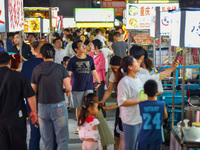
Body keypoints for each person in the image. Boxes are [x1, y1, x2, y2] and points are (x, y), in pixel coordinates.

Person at [117, 56, 178, 150]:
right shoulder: (124, 82)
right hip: (130, 121)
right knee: (130, 147)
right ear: (130, 67)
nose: (139, 64)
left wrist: (172, 68)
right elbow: (121, 102)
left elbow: (158, 77)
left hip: (140, 119)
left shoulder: (139, 78)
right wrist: (140, 101)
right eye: (136, 62)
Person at [31, 43, 71, 150]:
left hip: (42, 106)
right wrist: (62, 90)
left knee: (47, 141)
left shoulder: (36, 69)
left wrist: (34, 110)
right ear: (53, 54)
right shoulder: (60, 68)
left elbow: (33, 91)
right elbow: (68, 87)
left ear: (42, 55)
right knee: (62, 140)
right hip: (58, 106)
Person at [0, 51, 37, 150]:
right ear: (9, 62)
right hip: (16, 120)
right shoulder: (19, 77)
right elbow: (30, 96)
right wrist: (34, 112)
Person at [67, 40, 100, 134]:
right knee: (79, 107)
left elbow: (93, 71)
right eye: (80, 45)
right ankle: (80, 126)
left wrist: (98, 81)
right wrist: (68, 87)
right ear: (76, 49)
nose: (84, 46)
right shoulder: (72, 60)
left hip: (88, 86)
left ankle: (89, 125)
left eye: (83, 45)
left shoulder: (90, 59)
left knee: (90, 106)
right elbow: (68, 75)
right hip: (77, 87)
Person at [21, 41, 47, 150]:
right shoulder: (52, 65)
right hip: (49, 103)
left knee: (34, 135)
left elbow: (23, 84)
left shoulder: (27, 64)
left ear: (34, 49)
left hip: (32, 105)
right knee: (50, 136)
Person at [100, 56, 124, 150]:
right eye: (112, 68)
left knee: (126, 135)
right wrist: (103, 100)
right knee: (117, 134)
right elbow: (109, 89)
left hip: (128, 106)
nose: (114, 70)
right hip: (120, 106)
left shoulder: (128, 74)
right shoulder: (113, 75)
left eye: (116, 68)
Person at [137, 80, 168, 150]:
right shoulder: (162, 104)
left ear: (144, 92)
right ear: (157, 91)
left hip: (144, 137)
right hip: (156, 138)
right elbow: (165, 116)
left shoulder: (142, 104)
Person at [89, 39, 106, 104]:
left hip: (99, 78)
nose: (91, 46)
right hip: (91, 78)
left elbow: (99, 67)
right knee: (92, 97)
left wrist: (93, 65)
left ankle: (102, 112)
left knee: (99, 97)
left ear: (96, 46)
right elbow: (89, 64)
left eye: (92, 45)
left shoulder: (101, 55)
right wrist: (95, 65)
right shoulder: (91, 54)